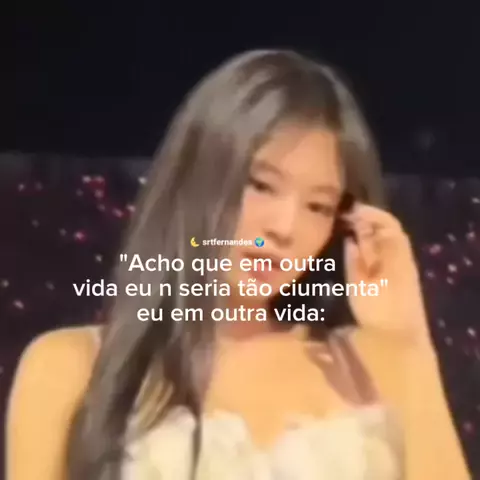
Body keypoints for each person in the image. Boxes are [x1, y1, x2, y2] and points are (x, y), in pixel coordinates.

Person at [6, 50, 470, 480]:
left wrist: (411, 344)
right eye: (261, 185)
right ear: (196, 178)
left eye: (318, 207)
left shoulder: (373, 369)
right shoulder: (70, 369)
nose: (284, 227)